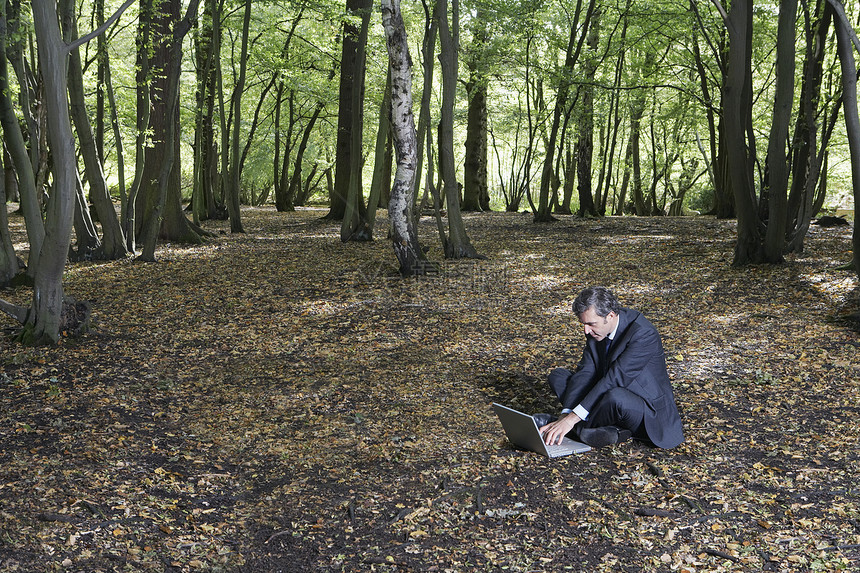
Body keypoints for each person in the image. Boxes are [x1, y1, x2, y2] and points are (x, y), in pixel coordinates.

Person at [536, 286, 684, 449]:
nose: (586, 330)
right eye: (583, 324)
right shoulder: (596, 329)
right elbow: (586, 372)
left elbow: (615, 379)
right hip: (606, 392)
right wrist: (566, 414)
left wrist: (571, 419)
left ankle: (576, 429)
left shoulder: (643, 334)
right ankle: (597, 429)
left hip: (645, 408)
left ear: (611, 315)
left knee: (615, 397)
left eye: (591, 324)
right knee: (558, 377)